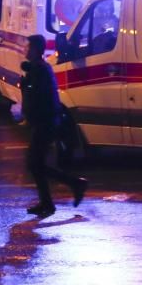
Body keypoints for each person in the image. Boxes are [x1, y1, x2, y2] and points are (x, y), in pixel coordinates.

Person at [21, 34, 88, 217]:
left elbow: (38, 99)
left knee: (34, 164)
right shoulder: (38, 68)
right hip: (43, 123)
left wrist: (25, 85)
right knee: (36, 164)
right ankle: (49, 202)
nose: (24, 50)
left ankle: (73, 185)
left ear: (35, 50)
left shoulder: (40, 70)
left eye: (27, 47)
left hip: (45, 124)